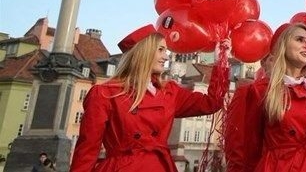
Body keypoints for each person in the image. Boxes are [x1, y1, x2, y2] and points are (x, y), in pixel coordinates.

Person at [70, 24, 229, 172]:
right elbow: (87, 150)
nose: (166, 57)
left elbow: (212, 103)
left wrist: (220, 62)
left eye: (165, 51)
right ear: (143, 52)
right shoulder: (104, 94)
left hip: (159, 166)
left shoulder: (169, 91)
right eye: (160, 50)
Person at [243, 23, 306, 171]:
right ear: (284, 45)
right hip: (279, 166)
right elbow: (251, 149)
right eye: (300, 40)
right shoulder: (261, 90)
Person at [224, 51, 275, 172]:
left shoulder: (300, 93)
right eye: (273, 59)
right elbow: (236, 140)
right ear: (263, 63)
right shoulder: (247, 92)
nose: (279, 64)